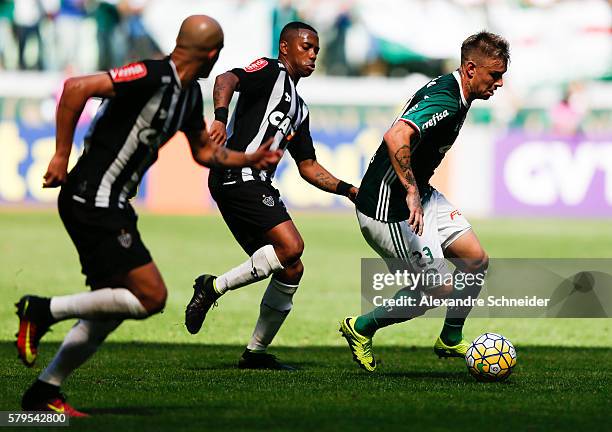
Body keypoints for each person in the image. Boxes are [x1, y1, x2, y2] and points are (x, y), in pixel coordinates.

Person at [14, 15, 281, 415]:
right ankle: (41, 310)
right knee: (151, 296)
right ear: (211, 54)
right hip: (93, 196)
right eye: (218, 53)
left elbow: (204, 153)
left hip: (113, 202)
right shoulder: (151, 74)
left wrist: (249, 157)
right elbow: (75, 88)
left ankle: (44, 393)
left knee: (110, 306)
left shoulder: (189, 96)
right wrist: (60, 156)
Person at [184, 21, 358, 370]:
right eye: (306, 47)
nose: (313, 55)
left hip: (254, 182)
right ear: (285, 47)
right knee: (291, 247)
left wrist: (348, 190)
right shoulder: (269, 70)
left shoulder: (301, 108)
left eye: (317, 51)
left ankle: (255, 354)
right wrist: (219, 119)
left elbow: (308, 166)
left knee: (291, 269)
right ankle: (212, 287)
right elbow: (225, 80)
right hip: (238, 173)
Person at [339, 31, 510, 372]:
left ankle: (449, 338)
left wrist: (419, 190)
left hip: (420, 193)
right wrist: (411, 192)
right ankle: (360, 328)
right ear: (471, 69)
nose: (500, 83)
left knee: (475, 260)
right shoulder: (446, 100)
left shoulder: (454, 91)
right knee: (438, 289)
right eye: (495, 74)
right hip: (389, 207)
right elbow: (396, 135)